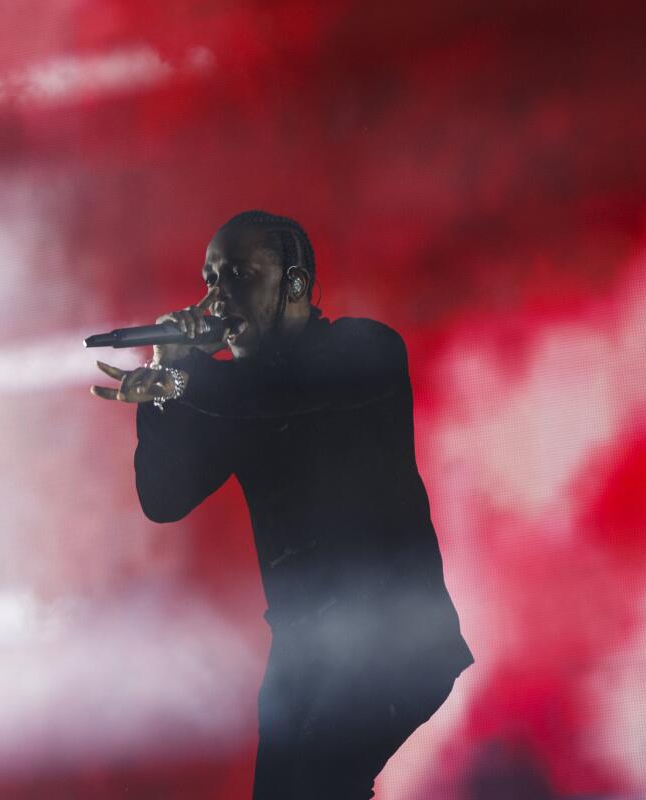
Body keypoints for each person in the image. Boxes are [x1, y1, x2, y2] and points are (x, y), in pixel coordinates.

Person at [91, 210, 474, 799]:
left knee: (321, 784)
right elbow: (164, 498)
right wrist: (163, 390)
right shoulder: (238, 400)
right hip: (303, 654)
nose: (215, 298)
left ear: (293, 285)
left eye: (237, 274)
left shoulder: (363, 350)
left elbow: (285, 397)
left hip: (391, 636)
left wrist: (189, 378)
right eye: (209, 278)